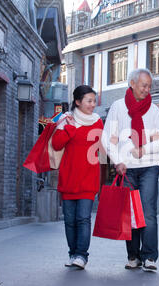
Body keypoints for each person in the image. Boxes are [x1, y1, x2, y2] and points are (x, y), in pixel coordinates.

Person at [101, 68, 159, 272]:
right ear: (132, 83)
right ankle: (133, 256)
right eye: (144, 85)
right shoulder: (118, 107)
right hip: (127, 168)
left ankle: (149, 257)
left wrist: (144, 149)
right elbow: (107, 137)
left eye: (149, 86)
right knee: (130, 213)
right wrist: (117, 160)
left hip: (149, 166)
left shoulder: (154, 110)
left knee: (148, 213)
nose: (147, 90)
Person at [51, 85, 103, 270]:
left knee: (83, 218)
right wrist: (70, 129)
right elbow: (57, 145)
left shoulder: (97, 122)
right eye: (89, 101)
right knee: (69, 220)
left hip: (89, 177)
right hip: (69, 177)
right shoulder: (66, 120)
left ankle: (82, 255)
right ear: (78, 102)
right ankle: (73, 254)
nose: (92, 105)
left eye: (94, 101)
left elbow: (102, 149)